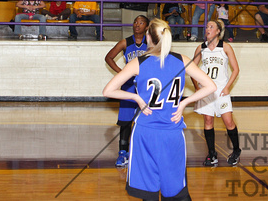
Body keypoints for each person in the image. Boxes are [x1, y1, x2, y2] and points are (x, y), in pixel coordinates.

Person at [102, 18, 216, 201]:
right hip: (172, 131)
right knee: (177, 191)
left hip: (146, 132)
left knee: (149, 193)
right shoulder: (182, 60)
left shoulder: (138, 63)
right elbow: (210, 86)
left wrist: (137, 98)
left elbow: (108, 90)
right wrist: (184, 103)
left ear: (149, 37)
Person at [192, 20, 241, 166]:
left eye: (211, 27)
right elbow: (192, 70)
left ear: (218, 31)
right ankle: (212, 153)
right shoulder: (201, 48)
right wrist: (197, 87)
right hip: (207, 90)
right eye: (206, 26)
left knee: (228, 121)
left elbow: (236, 69)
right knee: (208, 121)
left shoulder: (225, 47)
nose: (208, 29)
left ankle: (237, 150)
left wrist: (227, 87)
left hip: (221, 90)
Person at [104, 15, 150, 167]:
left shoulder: (151, 44)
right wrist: (121, 73)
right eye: (135, 22)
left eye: (141, 22)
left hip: (146, 86)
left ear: (147, 27)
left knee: (146, 119)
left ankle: (143, 153)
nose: (137, 25)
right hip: (129, 86)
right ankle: (123, 153)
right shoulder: (125, 42)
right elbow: (109, 57)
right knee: (125, 121)